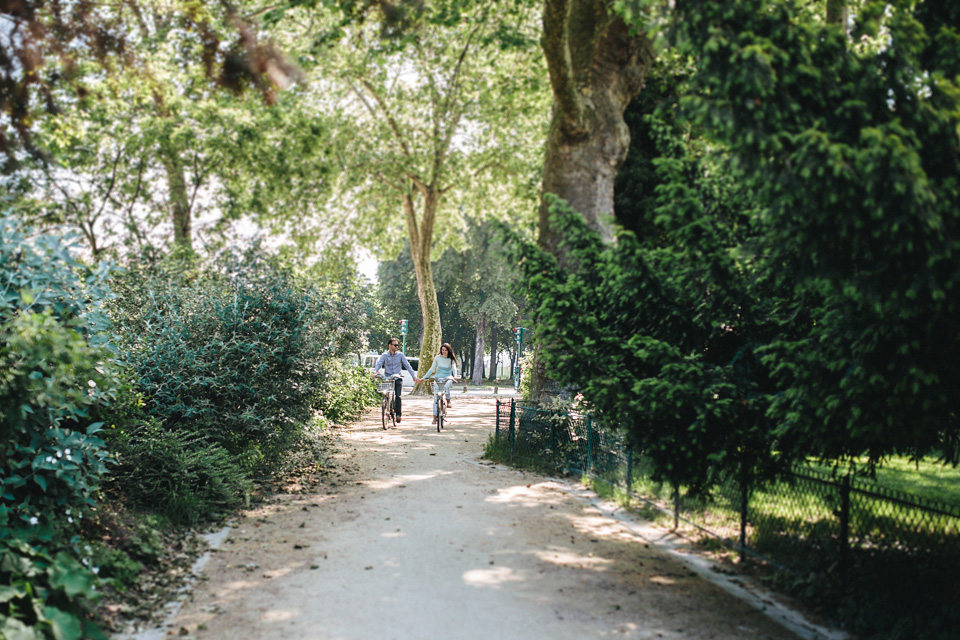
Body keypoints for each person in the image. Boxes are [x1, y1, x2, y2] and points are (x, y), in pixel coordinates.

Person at [372, 338, 419, 423]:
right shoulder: (384, 355)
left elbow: (408, 366)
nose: (397, 347)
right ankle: (387, 406)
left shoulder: (400, 355)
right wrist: (374, 372)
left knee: (398, 396)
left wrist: (414, 376)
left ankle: (398, 415)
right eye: (395, 345)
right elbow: (379, 364)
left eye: (397, 345)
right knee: (385, 393)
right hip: (388, 378)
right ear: (389, 345)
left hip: (397, 378)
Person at [421, 342, 459, 424]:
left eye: (446, 350)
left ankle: (448, 400)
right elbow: (432, 369)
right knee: (436, 399)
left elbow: (454, 369)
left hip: (447, 378)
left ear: (449, 351)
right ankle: (434, 417)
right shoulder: (437, 358)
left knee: (447, 386)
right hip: (438, 378)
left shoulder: (451, 359)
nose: (444, 352)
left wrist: (455, 376)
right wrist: (424, 378)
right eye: (443, 350)